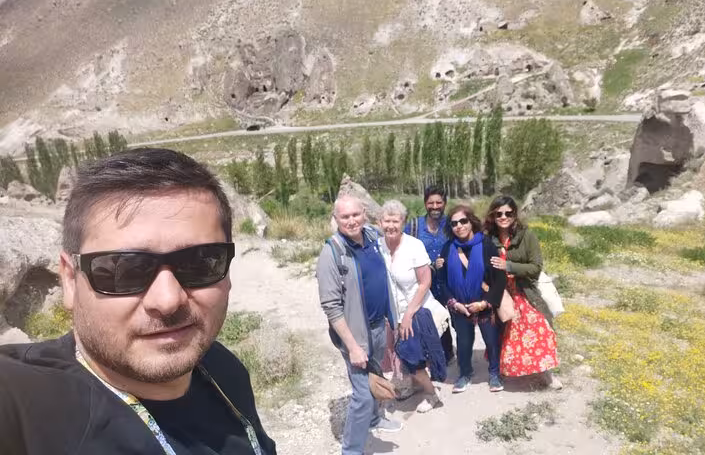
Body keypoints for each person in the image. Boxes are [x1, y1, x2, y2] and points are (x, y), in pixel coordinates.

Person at [0, 148, 276, 455]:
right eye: (124, 269)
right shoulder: (28, 405)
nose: (169, 300)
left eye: (201, 262)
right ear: (69, 280)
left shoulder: (223, 369)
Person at [317, 196, 403, 455]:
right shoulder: (331, 253)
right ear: (336, 219)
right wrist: (353, 347)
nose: (352, 220)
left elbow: (382, 278)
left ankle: (375, 419)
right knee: (363, 395)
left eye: (356, 214)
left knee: (377, 376)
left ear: (364, 214)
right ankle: (351, 450)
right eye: (345, 217)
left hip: (378, 326)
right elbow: (331, 307)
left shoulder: (372, 237)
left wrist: (392, 319)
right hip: (355, 335)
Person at [378, 200, 449, 413]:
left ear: (403, 222)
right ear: (380, 222)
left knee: (412, 353)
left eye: (396, 221)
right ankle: (415, 384)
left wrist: (409, 313)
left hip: (418, 309)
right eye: (387, 221)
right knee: (398, 353)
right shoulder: (377, 246)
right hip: (392, 312)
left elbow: (425, 282)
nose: (391, 225)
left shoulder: (413, 246)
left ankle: (431, 393)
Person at [485, 196, 562, 390]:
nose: (503, 217)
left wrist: (508, 265)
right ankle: (503, 371)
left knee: (539, 329)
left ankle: (547, 373)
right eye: (499, 213)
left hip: (523, 291)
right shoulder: (487, 238)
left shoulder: (527, 235)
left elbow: (536, 266)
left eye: (508, 213)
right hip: (501, 294)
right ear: (493, 216)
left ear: (515, 215)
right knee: (504, 334)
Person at [437, 204, 507, 394]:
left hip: (484, 305)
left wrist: (484, 303)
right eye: (454, 223)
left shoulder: (486, 245)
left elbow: (500, 279)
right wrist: (454, 303)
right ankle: (465, 373)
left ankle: (494, 373)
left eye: (463, 221)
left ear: (471, 222)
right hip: (460, 306)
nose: (459, 226)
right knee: (464, 342)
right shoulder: (447, 248)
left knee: (491, 341)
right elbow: (442, 281)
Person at [404, 185, 454, 363]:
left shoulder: (452, 224)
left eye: (438, 202)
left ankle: (453, 354)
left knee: (454, 319)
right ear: (425, 204)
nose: (435, 206)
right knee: (429, 318)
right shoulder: (414, 226)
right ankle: (436, 356)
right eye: (431, 202)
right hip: (425, 283)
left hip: (450, 282)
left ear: (445, 203)